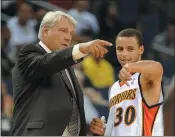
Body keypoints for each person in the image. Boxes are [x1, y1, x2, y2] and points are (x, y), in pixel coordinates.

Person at [12, 11, 112, 136]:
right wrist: (80, 48)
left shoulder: (68, 67)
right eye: (63, 30)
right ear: (45, 31)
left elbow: (72, 111)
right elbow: (48, 63)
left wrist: (91, 130)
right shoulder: (28, 53)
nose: (68, 37)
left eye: (71, 33)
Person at [90, 28, 164, 136]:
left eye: (130, 49)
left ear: (141, 50)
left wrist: (130, 67)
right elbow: (112, 129)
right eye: (120, 49)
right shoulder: (114, 88)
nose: (124, 54)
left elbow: (157, 67)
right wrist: (103, 130)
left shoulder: (146, 78)